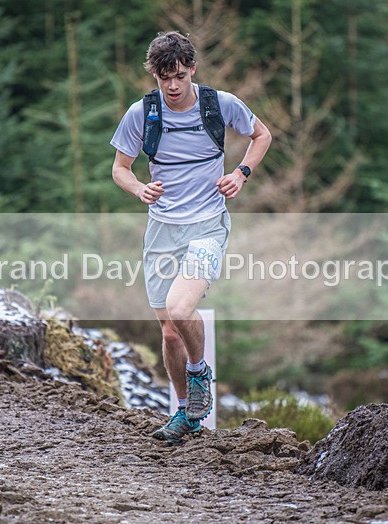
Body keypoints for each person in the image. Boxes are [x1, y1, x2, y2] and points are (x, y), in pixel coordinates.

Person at [110, 31, 271, 443]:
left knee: (181, 310)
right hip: (162, 229)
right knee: (167, 331)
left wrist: (240, 173)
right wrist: (138, 190)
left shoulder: (220, 104)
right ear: (155, 75)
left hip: (206, 225)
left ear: (192, 69)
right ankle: (185, 413)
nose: (173, 86)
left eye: (180, 76)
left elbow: (262, 135)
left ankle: (200, 375)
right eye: (165, 78)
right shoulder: (142, 113)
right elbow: (120, 168)